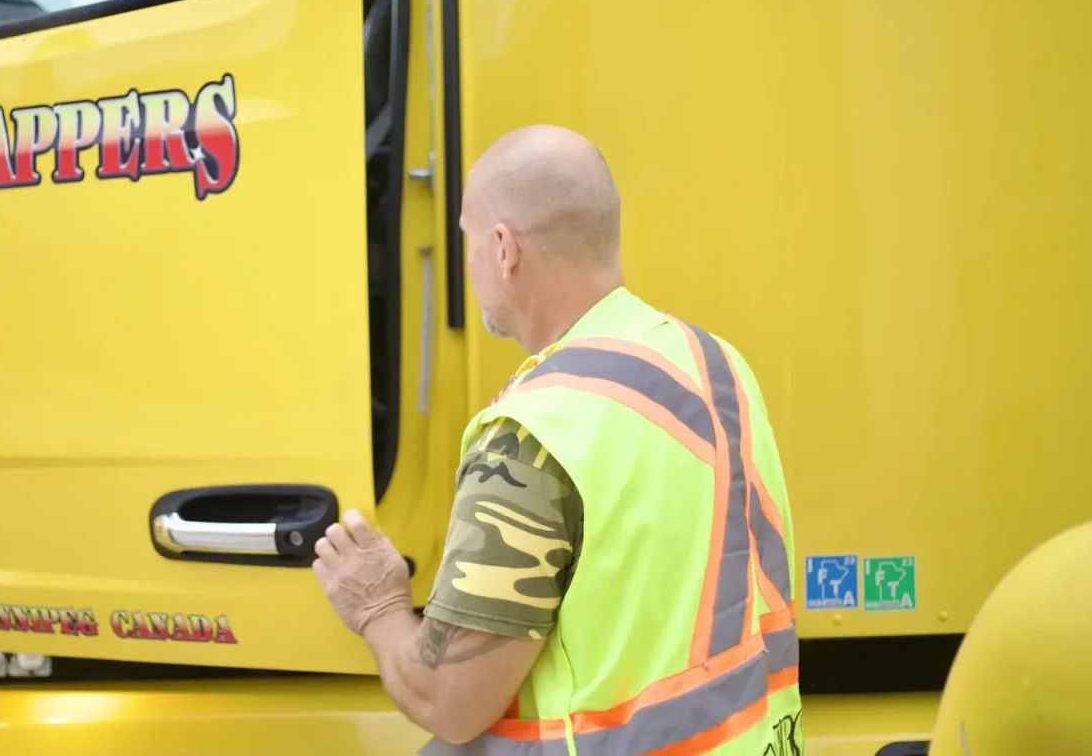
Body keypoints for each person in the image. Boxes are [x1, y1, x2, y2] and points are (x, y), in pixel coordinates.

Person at [313, 124, 803, 755]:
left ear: (503, 248)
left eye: (466, 241)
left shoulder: (535, 437)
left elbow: (450, 701)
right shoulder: (716, 365)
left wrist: (379, 610)